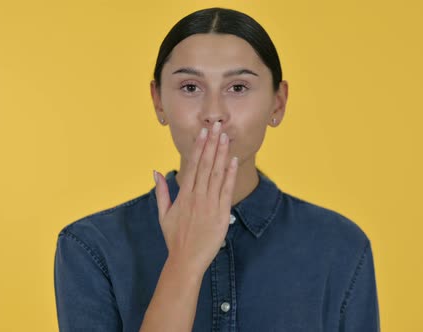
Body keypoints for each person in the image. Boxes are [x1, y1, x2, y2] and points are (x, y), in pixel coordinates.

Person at [54, 7, 380, 332]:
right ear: (158, 101)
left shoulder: (340, 246)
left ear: (277, 103)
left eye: (238, 87)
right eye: (191, 87)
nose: (213, 113)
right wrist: (184, 264)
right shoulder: (90, 246)